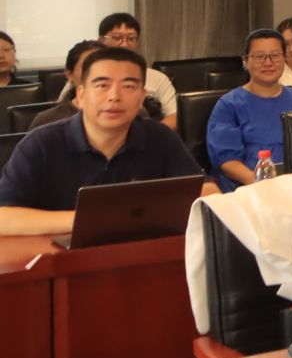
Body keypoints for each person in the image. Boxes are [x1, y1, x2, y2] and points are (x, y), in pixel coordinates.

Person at [0, 46, 210, 236]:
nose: (114, 96)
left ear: (141, 98)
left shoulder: (159, 137)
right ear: (81, 95)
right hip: (62, 257)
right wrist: (95, 220)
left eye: (128, 86)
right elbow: (4, 218)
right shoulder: (41, 143)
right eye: (102, 85)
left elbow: (207, 192)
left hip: (139, 251)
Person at [205, 28, 292, 190]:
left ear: (284, 59)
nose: (268, 63)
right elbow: (227, 161)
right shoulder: (228, 105)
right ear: (245, 61)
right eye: (259, 56)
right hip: (247, 190)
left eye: (275, 55)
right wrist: (264, 184)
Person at [76, 13, 180, 127]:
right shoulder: (87, 74)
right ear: (101, 40)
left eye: (131, 39)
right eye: (117, 38)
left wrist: (150, 134)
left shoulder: (157, 78)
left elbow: (174, 115)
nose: (125, 44)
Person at [30, 42, 99, 130]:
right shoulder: (47, 121)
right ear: (69, 74)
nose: (97, 74)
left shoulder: (116, 117)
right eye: (86, 67)